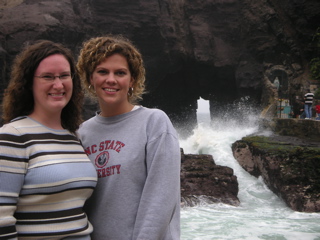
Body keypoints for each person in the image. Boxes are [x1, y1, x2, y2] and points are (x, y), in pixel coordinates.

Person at [77, 35, 181, 240]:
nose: (111, 79)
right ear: (91, 78)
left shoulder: (154, 122)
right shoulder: (82, 133)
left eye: (120, 73)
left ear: (132, 79)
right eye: (102, 71)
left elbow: (160, 199)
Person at [0, 40, 97, 239]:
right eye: (48, 77)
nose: (58, 85)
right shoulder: (13, 136)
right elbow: (2, 219)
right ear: (29, 83)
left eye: (64, 76)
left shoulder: (73, 138)